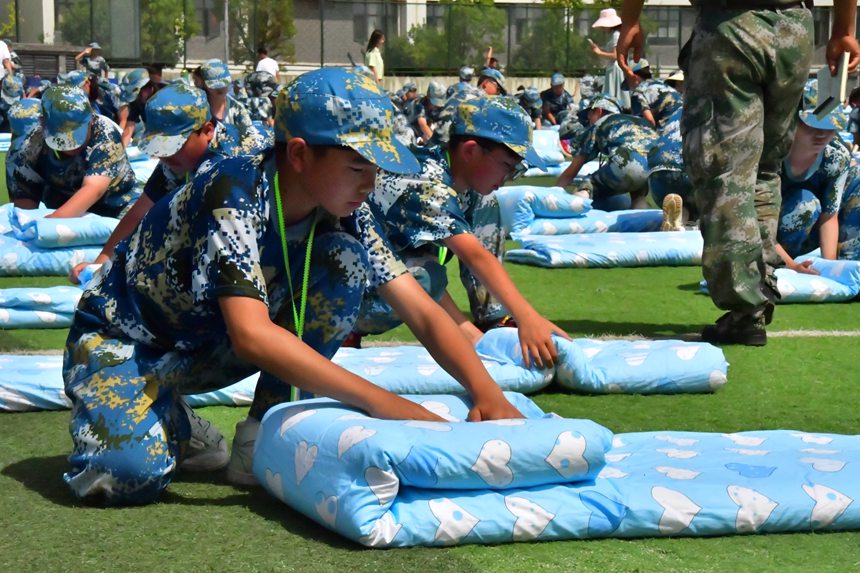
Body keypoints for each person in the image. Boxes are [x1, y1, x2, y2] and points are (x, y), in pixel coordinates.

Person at [61, 67, 522, 505]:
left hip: (205, 346)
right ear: (299, 154)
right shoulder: (232, 190)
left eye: (376, 168)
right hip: (126, 343)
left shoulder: (345, 207)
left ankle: (259, 435)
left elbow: (417, 307)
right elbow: (251, 335)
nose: (371, 182)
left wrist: (488, 394)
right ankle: (169, 419)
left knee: (344, 260)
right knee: (123, 476)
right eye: (358, 165)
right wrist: (387, 405)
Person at [616, 0, 859, 346]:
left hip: (731, 26)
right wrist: (842, 31)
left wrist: (630, 21)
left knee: (725, 171)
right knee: (764, 169)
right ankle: (758, 295)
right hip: (793, 32)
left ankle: (745, 307)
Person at [353, 95, 570, 366]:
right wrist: (527, 316)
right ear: (470, 151)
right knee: (425, 276)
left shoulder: (468, 188)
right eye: (507, 166)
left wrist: (473, 337)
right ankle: (347, 329)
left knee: (485, 205)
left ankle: (493, 318)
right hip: (346, 285)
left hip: (388, 271)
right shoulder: (427, 183)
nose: (506, 179)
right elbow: (471, 257)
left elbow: (409, 261)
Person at [68, 83, 244, 285]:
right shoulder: (177, 160)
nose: (164, 154)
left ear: (207, 131)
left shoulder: (232, 161)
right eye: (159, 146)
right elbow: (140, 212)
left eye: (174, 145)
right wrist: (100, 263)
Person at [6, 85, 137, 218]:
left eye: (76, 133)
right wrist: (32, 228)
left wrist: (50, 223)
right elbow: (24, 201)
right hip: (63, 206)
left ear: (91, 119)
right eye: (61, 135)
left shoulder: (105, 133)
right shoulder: (29, 147)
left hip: (116, 207)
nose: (71, 146)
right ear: (43, 123)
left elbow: (93, 189)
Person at [776, 108, 852, 272]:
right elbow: (755, 219)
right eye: (812, 126)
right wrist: (792, 266)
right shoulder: (769, 152)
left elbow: (829, 215)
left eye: (830, 126)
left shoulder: (836, 157)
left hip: (806, 233)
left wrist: (830, 266)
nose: (822, 134)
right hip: (761, 229)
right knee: (805, 204)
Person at [555, 96, 658, 211]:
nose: (588, 121)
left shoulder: (601, 123)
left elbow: (570, 172)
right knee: (638, 194)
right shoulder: (637, 121)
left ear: (598, 111)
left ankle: (571, 215)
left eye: (589, 114)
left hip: (627, 164)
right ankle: (644, 223)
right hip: (653, 169)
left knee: (588, 185)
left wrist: (553, 196)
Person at [198, 59, 269, 156]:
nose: (220, 88)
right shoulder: (197, 107)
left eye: (224, 83)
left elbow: (250, 137)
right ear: (204, 84)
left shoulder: (236, 108)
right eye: (215, 84)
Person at [588, 8, 630, 111]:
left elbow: (616, 55)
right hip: (615, 68)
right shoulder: (614, 35)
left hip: (616, 69)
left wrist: (599, 53)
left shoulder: (615, 35)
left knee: (614, 98)